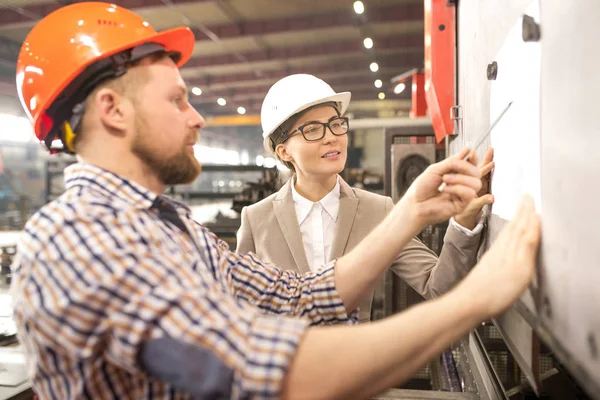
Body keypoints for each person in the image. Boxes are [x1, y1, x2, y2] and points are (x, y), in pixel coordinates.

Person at [10, 3, 541, 400]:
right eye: (177, 99)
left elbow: (301, 295)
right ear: (112, 110)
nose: (196, 117)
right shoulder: (81, 242)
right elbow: (265, 369)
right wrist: (478, 298)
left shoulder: (176, 228)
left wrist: (411, 211)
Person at [236, 74, 495, 322]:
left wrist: (464, 220)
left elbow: (438, 287)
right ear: (284, 152)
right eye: (312, 130)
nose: (331, 137)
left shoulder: (377, 210)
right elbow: (238, 309)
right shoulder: (257, 219)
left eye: (336, 124)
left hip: (356, 363)